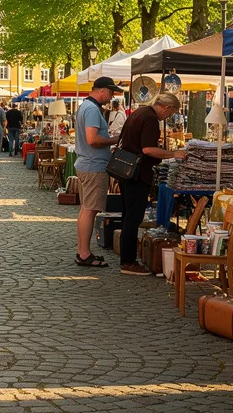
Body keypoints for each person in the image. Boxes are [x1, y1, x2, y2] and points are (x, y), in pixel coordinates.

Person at [116, 93, 185, 275]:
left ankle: (127, 257)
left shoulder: (139, 112)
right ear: (166, 107)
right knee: (133, 217)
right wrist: (173, 154)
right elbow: (147, 149)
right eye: (170, 114)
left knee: (128, 215)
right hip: (137, 174)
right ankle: (128, 262)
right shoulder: (150, 119)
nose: (168, 118)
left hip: (126, 170)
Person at [74, 77, 122, 268]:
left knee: (86, 209)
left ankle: (82, 251)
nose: (111, 98)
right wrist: (115, 139)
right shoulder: (92, 109)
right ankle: (84, 254)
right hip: (93, 165)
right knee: (89, 210)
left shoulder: (85, 106)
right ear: (103, 91)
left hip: (87, 163)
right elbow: (92, 139)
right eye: (111, 93)